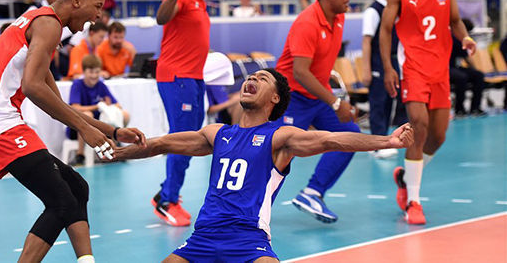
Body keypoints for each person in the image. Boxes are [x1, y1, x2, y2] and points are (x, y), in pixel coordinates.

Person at [110, 69, 414, 263]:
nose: (251, 80)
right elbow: (162, 143)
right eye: (250, 77)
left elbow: (331, 140)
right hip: (203, 237)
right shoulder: (218, 134)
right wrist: (117, 153)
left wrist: (386, 141)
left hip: (247, 239)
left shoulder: (279, 138)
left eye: (261, 79)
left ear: (275, 98)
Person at [0, 0, 146, 263]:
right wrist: (85, 131)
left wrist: (112, 130)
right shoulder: (47, 24)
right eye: (97, 6)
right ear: (76, 1)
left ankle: (86, 260)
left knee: (77, 188)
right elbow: (32, 87)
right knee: (60, 202)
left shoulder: (40, 24)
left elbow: (58, 104)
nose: (98, 16)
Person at [379, 0, 476, 225]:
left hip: (440, 69)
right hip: (413, 67)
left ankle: (406, 179)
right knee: (418, 127)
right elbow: (385, 30)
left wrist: (466, 37)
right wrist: (387, 67)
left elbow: (455, 20)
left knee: (438, 136)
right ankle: (414, 202)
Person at [275, 0, 358, 224]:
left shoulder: (339, 17)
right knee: (278, 155)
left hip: (316, 96)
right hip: (291, 97)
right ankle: (249, 212)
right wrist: (335, 101)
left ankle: (312, 193)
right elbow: (300, 72)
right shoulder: (307, 22)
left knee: (349, 137)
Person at [152, 0, 215, 227]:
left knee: (193, 140)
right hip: (177, 77)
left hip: (193, 78)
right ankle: (167, 200)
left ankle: (166, 192)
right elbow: (161, 17)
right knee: (183, 139)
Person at [361, 0, 407, 159]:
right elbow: (366, 41)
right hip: (378, 62)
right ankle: (377, 144)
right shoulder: (373, 10)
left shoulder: (395, 7)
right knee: (379, 103)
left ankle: (387, 141)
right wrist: (366, 70)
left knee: (391, 101)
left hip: (394, 59)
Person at [68, 54, 131, 165]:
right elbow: (74, 108)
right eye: (91, 72)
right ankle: (80, 155)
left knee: (125, 114)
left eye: (97, 72)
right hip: (76, 128)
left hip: (99, 127)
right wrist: (97, 106)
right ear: (83, 72)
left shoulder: (101, 85)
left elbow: (117, 105)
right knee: (87, 115)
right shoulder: (77, 84)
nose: (94, 76)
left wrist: (106, 106)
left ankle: (115, 147)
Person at [449, 19, 486, 117]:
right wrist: (473, 68)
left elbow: (465, 57)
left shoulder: (459, 39)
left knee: (478, 75)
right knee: (462, 77)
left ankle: (475, 108)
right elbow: (467, 59)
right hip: (445, 69)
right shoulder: (454, 38)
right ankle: (459, 109)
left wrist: (475, 71)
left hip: (454, 67)